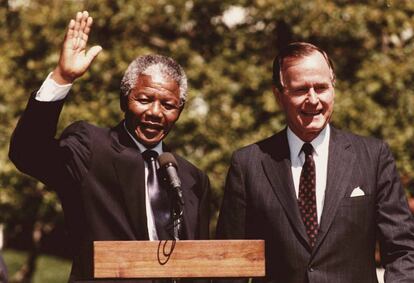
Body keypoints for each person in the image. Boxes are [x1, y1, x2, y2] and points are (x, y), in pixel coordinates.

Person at [9, 11, 210, 282]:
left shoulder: (190, 177)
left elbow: (200, 261)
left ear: (180, 110)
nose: (155, 112)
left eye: (168, 105)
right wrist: (62, 78)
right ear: (124, 100)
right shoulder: (92, 147)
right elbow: (28, 154)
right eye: (145, 99)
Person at [216, 42, 414, 283]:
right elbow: (229, 265)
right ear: (279, 96)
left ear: (333, 89)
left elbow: (402, 250)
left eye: (321, 88)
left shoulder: (373, 157)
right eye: (300, 90)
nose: (313, 100)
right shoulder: (248, 164)